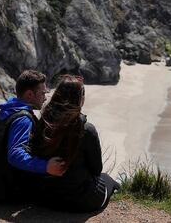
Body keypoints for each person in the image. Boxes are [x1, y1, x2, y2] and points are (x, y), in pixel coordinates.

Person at [27, 74, 119, 212]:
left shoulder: (42, 123)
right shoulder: (86, 129)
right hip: (80, 201)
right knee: (109, 180)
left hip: (45, 197)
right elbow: (96, 169)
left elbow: (34, 152)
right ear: (80, 99)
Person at [0, 70, 66, 203]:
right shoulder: (23, 119)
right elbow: (15, 154)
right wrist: (46, 167)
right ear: (29, 94)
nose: (45, 98)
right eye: (42, 93)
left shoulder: (5, 112)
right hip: (3, 193)